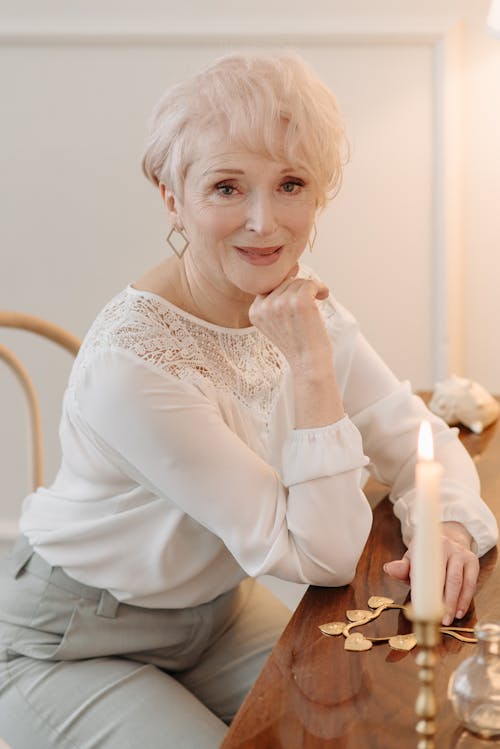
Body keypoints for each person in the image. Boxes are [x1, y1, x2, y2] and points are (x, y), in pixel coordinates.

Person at [0, 51, 497, 749]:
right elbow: (324, 554)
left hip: (215, 615)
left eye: (290, 183)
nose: (264, 223)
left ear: (318, 194)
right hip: (70, 639)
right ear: (172, 195)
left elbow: (419, 436)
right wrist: (314, 371)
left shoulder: (290, 304)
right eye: (226, 187)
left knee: (366, 725)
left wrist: (446, 527)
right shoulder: (134, 367)